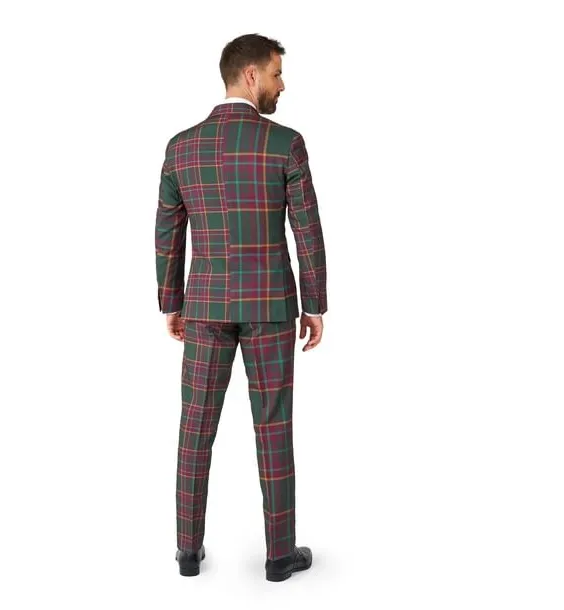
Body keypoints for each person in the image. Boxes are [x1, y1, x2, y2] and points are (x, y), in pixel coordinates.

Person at [154, 33, 327, 582]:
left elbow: (167, 231)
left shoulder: (181, 147)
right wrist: (315, 304)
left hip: (204, 306)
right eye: (276, 73)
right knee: (273, 427)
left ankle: (187, 552)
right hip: (271, 306)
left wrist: (171, 301)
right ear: (250, 75)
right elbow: (307, 230)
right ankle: (279, 556)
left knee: (194, 427)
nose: (283, 84)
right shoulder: (285, 144)